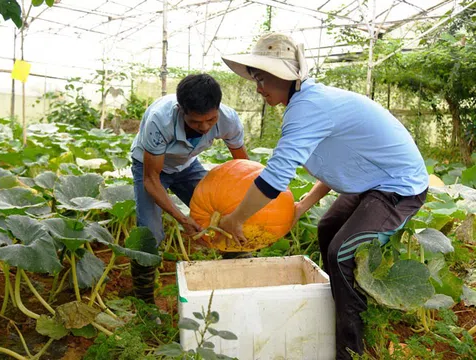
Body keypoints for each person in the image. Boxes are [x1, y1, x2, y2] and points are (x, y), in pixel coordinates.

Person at [219, 33, 428, 359]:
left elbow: (274, 179)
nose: (257, 87)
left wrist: (236, 219)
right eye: (255, 79)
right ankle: (346, 305)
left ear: (285, 76)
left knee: (341, 252)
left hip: (397, 187)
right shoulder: (307, 103)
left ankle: (352, 348)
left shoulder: (308, 107)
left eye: (261, 78)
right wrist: (303, 206)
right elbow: (338, 161)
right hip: (371, 182)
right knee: (327, 228)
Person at [130, 73, 249, 303]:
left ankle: (240, 283)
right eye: (195, 121)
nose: (204, 127)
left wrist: (243, 206)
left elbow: (243, 167)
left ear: (218, 108)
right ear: (181, 110)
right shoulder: (159, 120)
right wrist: (183, 219)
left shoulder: (228, 119)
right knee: (149, 233)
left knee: (226, 214)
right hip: (151, 169)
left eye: (210, 120)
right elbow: (151, 180)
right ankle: (144, 303)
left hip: (187, 165)